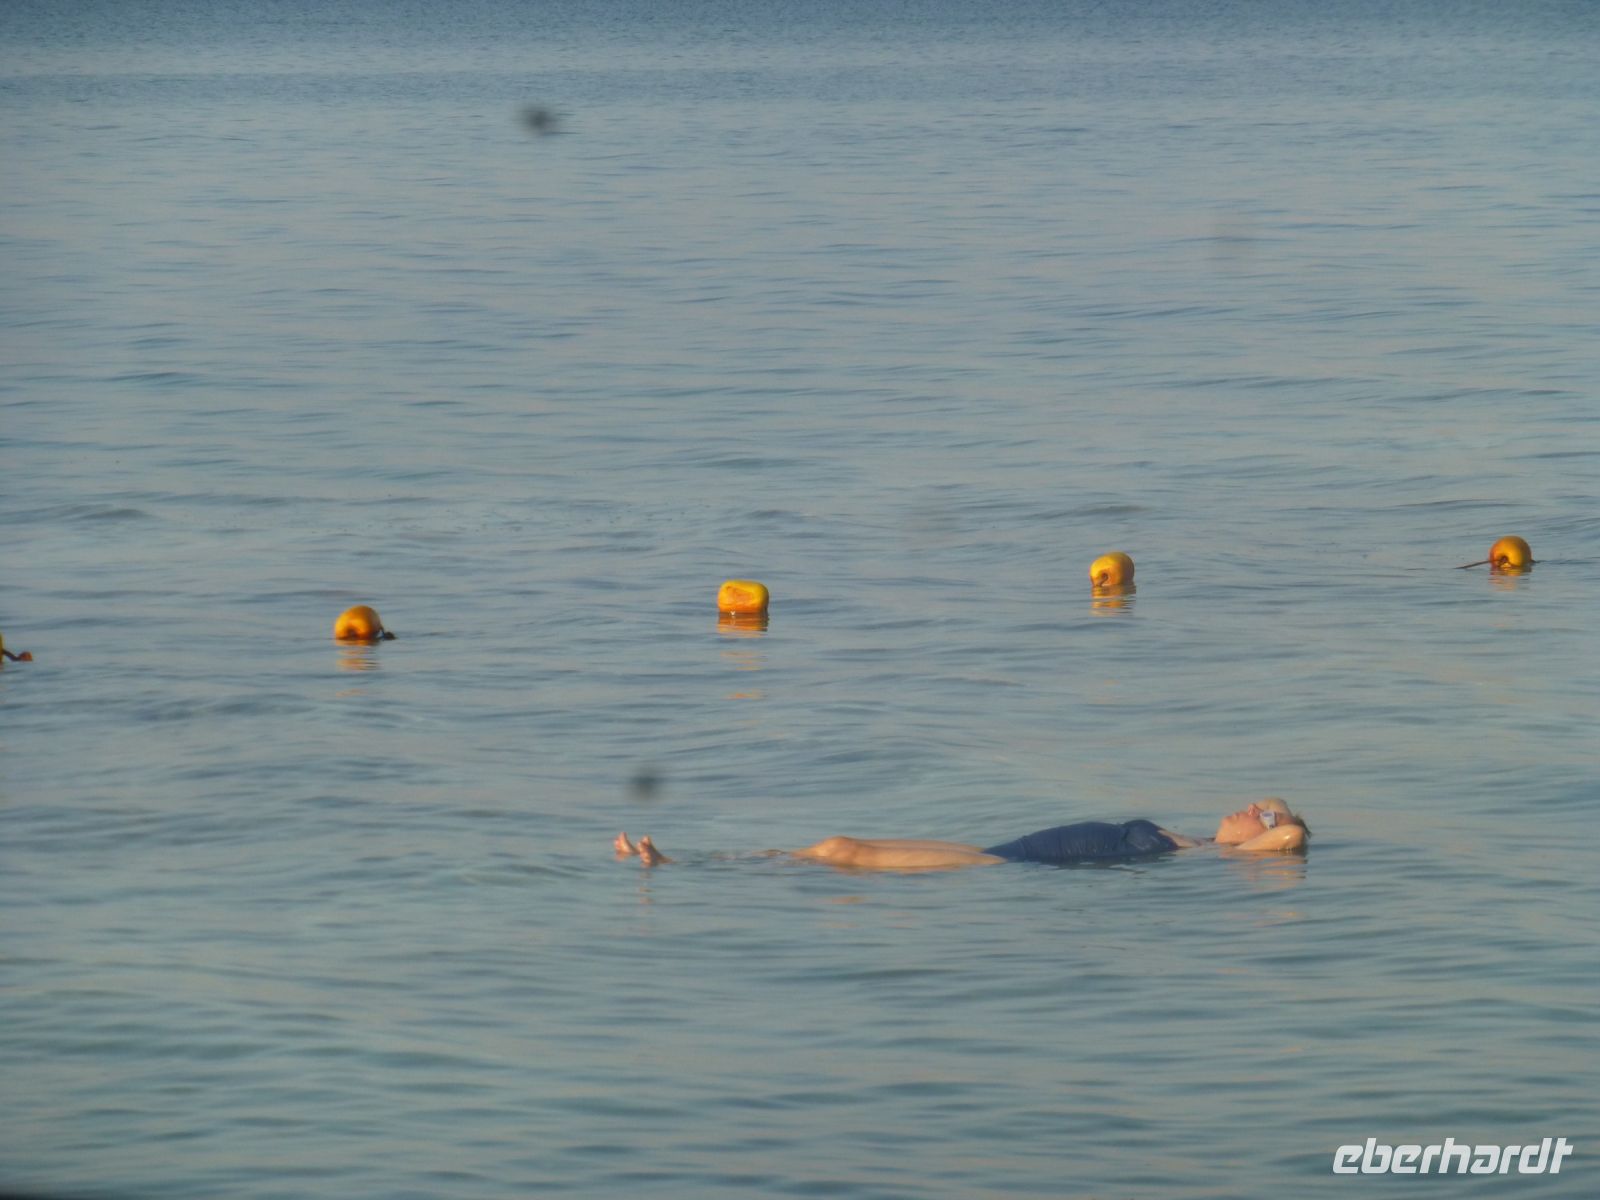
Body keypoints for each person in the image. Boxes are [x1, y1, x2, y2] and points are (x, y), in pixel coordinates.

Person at [614, 798, 1309, 869]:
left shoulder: (1213, 860)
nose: (1254, 805)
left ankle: (679, 868)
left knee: (841, 855)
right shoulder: (1186, 842)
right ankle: (692, 863)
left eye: (1263, 808)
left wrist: (1270, 834)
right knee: (837, 845)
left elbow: (1292, 838)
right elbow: (1280, 831)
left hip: (1000, 868)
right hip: (1003, 852)